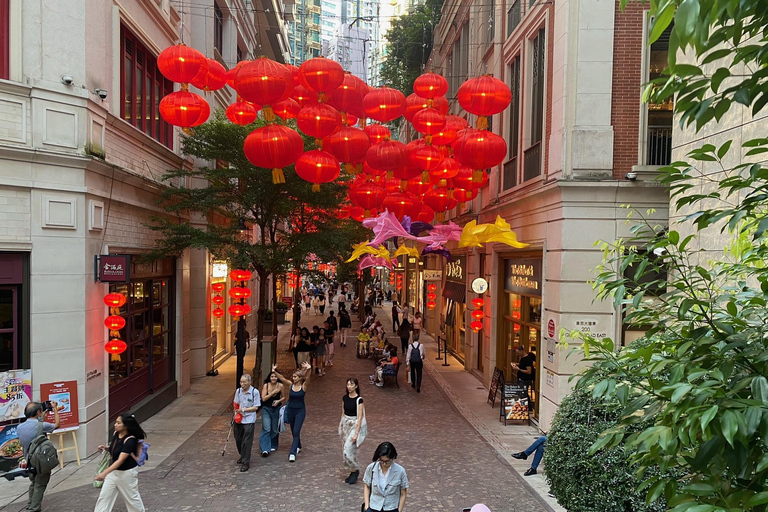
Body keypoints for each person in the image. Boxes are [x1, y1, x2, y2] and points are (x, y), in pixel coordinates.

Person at [93, 413, 146, 512]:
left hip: (126, 474)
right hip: (113, 473)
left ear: (125, 426)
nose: (115, 425)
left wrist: (104, 473)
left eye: (118, 423)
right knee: (104, 498)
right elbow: (117, 448)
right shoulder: (116, 434)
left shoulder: (130, 440)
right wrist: (106, 448)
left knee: (132, 500)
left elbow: (121, 460)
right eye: (116, 422)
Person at [18, 401, 60, 512]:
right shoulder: (41, 425)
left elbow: (36, 428)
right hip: (41, 461)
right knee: (40, 485)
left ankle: (30, 504)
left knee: (33, 483)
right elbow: (57, 424)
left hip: (29, 460)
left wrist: (41, 417)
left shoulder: (19, 427)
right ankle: (34, 509)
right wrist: (55, 409)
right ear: (38, 411)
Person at [273, 362, 311, 462]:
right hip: (290, 410)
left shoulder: (303, 386)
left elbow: (308, 378)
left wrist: (309, 369)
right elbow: (282, 379)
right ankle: (299, 445)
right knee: (293, 430)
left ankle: (292, 453)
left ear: (299, 378)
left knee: (296, 431)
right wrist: (274, 371)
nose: (293, 378)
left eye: (295, 377)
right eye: (293, 376)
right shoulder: (290, 385)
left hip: (300, 411)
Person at [363, 442, 408, 512]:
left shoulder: (400, 471)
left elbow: (403, 493)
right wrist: (367, 505)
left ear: (393, 458)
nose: (384, 464)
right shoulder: (371, 468)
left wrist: (399, 510)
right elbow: (367, 486)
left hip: (391, 507)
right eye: (381, 461)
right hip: (374, 507)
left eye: (387, 461)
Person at [339, 378, 367, 484]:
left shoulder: (359, 400)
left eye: (352, 385)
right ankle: (353, 471)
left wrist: (356, 433)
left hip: (354, 425)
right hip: (346, 425)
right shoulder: (344, 398)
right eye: (348, 385)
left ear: (356, 386)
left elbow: (360, 417)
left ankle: (355, 469)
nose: (349, 387)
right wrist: (341, 426)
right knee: (347, 451)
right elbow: (343, 412)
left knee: (347, 449)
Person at [232, 373, 261, 472]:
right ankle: (242, 454)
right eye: (241, 382)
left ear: (249, 382)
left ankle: (246, 461)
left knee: (246, 441)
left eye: (244, 382)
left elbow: (256, 407)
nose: (242, 384)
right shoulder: (238, 391)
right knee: (238, 439)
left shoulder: (255, 392)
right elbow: (236, 403)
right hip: (239, 418)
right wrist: (236, 413)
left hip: (249, 419)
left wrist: (243, 410)